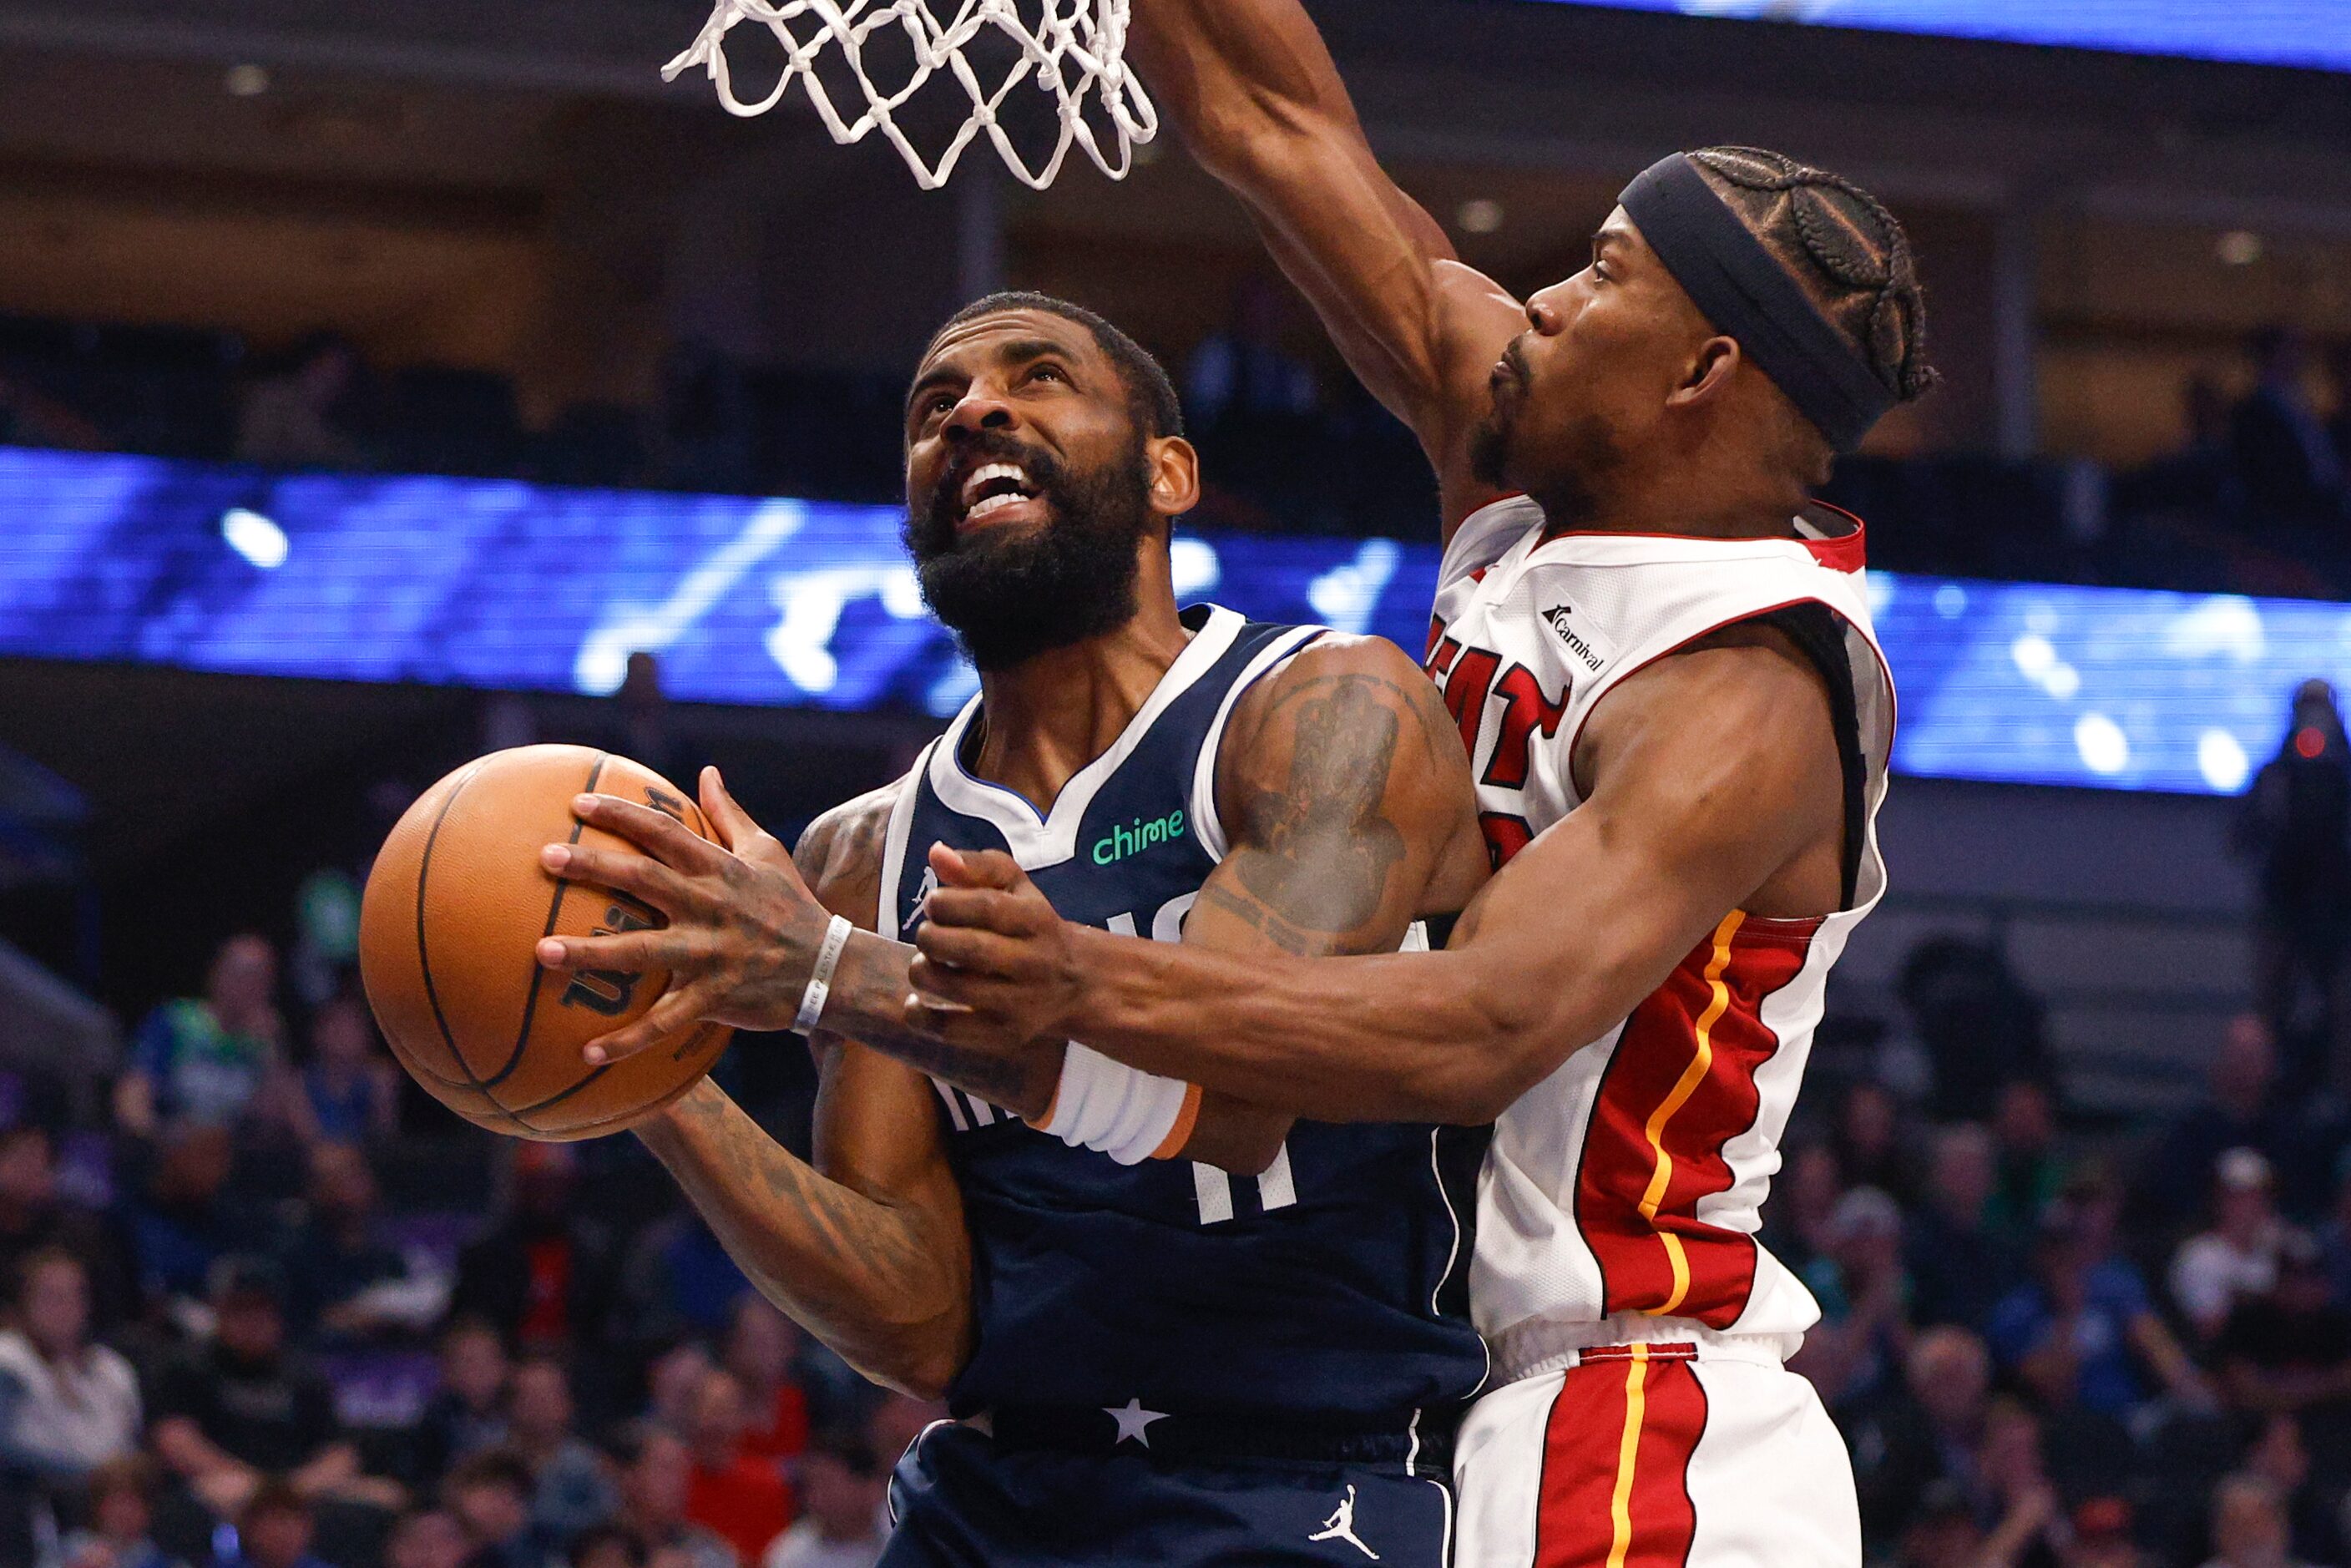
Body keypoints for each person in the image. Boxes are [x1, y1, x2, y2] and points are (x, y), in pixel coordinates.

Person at [535, 292, 1494, 1564]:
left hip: (1311, 1478)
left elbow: (1233, 1089)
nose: (976, 409)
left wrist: (825, 972)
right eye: (936, 406)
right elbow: (922, 1318)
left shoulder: (1319, 712)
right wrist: (632, 1071)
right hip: (997, 1492)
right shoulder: (864, 851)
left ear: (1170, 472)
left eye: (1038, 378)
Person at [147, 1257, 402, 1519]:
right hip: (226, 1484)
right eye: (241, 1309)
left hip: (298, 1490)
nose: (253, 1321)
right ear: (220, 1311)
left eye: (262, 1310)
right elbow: (176, 1441)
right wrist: (254, 1485)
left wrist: (288, 1490)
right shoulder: (188, 1366)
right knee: (214, 1493)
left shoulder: (303, 1374)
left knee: (386, 1496)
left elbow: (340, 1454)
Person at [2235, 684, 2351, 1091]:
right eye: (2307, 709)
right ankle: (2265, 1103)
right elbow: (2242, 837)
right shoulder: (2274, 777)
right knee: (2270, 1017)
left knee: (2342, 1024)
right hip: (2282, 917)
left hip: (2340, 923)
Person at [117, 935, 282, 1137]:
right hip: (169, 1146)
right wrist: (161, 1136)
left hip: (233, 1156)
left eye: (262, 979)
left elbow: (272, 1121)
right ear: (216, 973)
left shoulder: (263, 1040)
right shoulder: (176, 1021)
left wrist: (273, 1051)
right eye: (243, 974)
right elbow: (132, 1098)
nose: (251, 986)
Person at [0, 1248, 141, 1483]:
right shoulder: (8, 1361)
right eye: (51, 1297)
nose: (65, 1308)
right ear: (24, 1302)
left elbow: (126, 1442)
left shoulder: (112, 1368)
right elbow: (14, 1442)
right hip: (31, 1491)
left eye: (75, 1295)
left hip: (106, 1494)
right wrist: (101, 1468)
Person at [2172, 1149, 2298, 1343]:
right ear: (2219, 1200)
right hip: (2223, 1362)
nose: (2251, 1205)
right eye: (2239, 1197)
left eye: (2259, 1196)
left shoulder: (2279, 1246)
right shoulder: (2198, 1256)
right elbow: (2208, 1330)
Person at [681, 1368, 791, 1566]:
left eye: (726, 1411)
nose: (717, 1422)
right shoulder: (676, 1477)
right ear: (691, 1416)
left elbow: (775, 1556)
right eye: (710, 1410)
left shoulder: (767, 1482)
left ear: (742, 1418)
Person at [505, 1357, 615, 1542]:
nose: (540, 1406)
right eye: (530, 1397)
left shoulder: (588, 1463)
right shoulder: (491, 1459)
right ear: (512, 1405)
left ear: (567, 1403)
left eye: (548, 1396)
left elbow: (607, 1521)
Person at [606, 1428, 731, 1568]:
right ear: (631, 1479)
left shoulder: (706, 1550)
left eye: (683, 1472)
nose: (678, 1483)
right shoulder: (598, 1547)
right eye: (666, 1470)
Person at [761, 1434, 887, 1568]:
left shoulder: (903, 1533)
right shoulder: (790, 1556)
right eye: (810, 1486)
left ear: (869, 1487)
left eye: (827, 1484)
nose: (814, 1499)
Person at [53, 1456, 180, 1568]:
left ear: (148, 1510)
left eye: (132, 1504)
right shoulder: (70, 1548)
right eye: (116, 1502)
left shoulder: (164, 1561)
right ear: (99, 1506)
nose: (124, 1512)